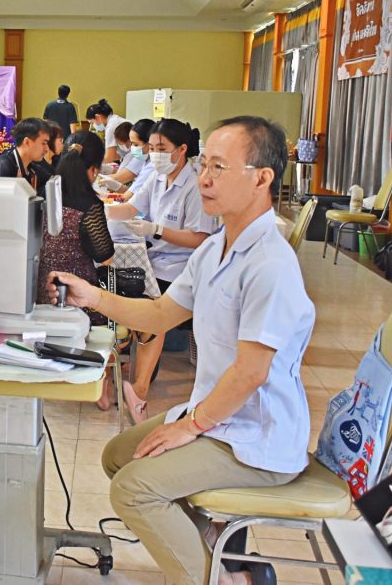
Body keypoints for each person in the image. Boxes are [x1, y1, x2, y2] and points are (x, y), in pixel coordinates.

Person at [46, 116, 314, 585]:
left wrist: (191, 426)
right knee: (119, 456)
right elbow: (160, 314)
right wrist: (92, 297)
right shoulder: (216, 248)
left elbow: (251, 373)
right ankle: (216, 557)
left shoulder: (270, 264)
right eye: (204, 164)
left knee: (134, 489)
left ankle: (218, 580)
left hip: (255, 436)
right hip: (220, 415)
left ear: (262, 178)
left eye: (218, 168)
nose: (204, 178)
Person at [107, 119, 215, 422]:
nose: (155, 154)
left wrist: (157, 230)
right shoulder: (157, 176)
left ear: (181, 150)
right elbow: (131, 208)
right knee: (120, 287)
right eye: (152, 148)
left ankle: (140, 388)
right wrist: (99, 211)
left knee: (150, 306)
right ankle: (124, 369)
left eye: (161, 148)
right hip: (155, 259)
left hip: (182, 266)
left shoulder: (194, 186)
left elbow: (200, 238)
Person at [36, 131, 113, 326]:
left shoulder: (46, 191)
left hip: (43, 292)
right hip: (77, 296)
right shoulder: (90, 205)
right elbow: (104, 257)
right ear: (94, 169)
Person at [0, 117, 50, 193]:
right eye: (43, 143)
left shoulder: (32, 168)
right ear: (27, 142)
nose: (47, 149)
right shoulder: (4, 166)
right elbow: (1, 199)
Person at [86, 98, 127, 163]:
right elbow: (117, 155)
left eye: (92, 122)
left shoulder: (111, 127)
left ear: (97, 117)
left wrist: (91, 164)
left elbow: (109, 158)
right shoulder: (115, 119)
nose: (92, 125)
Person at [30, 120, 64, 196]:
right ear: (50, 140)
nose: (63, 144)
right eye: (61, 140)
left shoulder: (58, 160)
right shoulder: (36, 164)